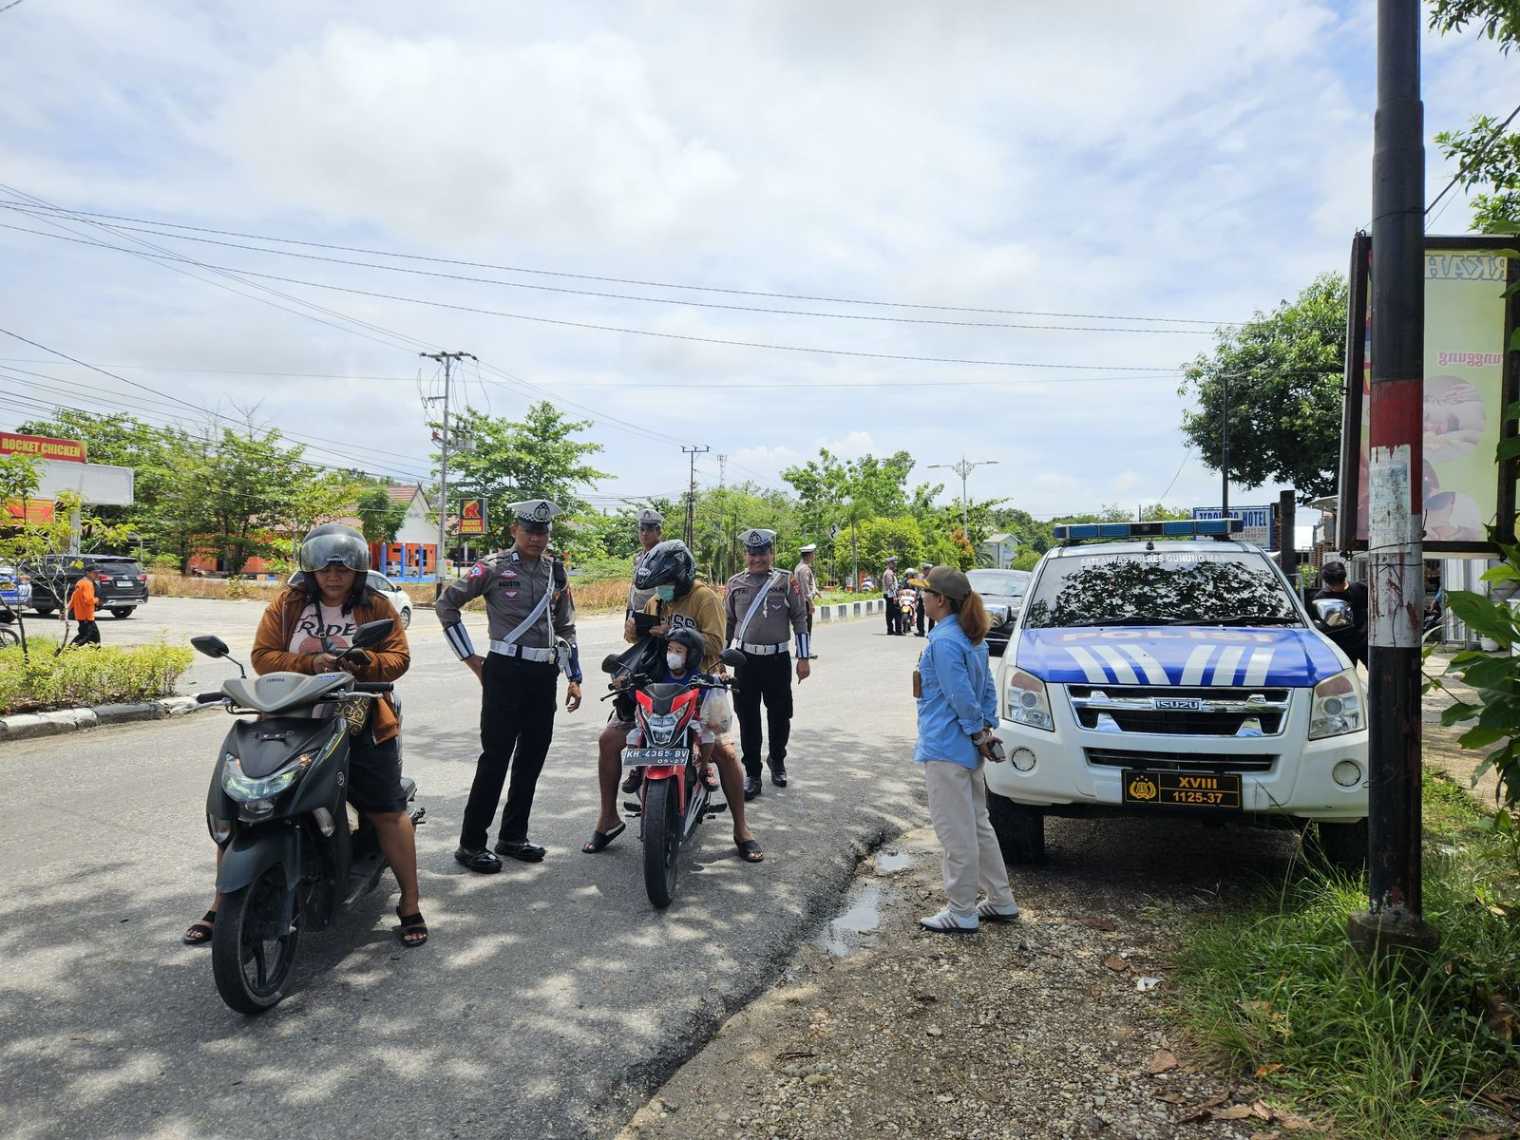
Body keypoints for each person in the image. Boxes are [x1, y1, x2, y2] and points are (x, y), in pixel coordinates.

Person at [182, 525, 425, 948]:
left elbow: (398, 659)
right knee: (246, 806)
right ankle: (222, 904)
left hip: (360, 716)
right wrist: (313, 663)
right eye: (325, 569)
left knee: (386, 809)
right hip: (293, 715)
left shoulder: (377, 603)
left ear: (357, 572)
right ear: (311, 570)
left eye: (343, 570)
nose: (334, 576)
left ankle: (410, 902)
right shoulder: (288, 602)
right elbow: (262, 656)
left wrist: (362, 662)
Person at [437, 499, 583, 873]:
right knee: (496, 758)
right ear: (514, 530)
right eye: (530, 530)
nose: (537, 538)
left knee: (532, 758)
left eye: (543, 531)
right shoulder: (492, 567)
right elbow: (446, 605)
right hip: (504, 671)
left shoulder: (556, 572)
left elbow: (565, 627)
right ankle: (471, 843)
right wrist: (470, 658)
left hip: (543, 674)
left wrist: (574, 676)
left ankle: (513, 836)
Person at [585, 619, 762, 863]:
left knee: (728, 754)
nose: (672, 654)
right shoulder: (653, 603)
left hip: (696, 710)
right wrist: (626, 673)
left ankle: (741, 829)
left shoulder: (703, 600)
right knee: (608, 739)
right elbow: (637, 645)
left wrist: (718, 679)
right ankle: (609, 817)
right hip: (654, 709)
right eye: (670, 649)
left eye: (678, 651)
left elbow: (716, 643)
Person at [914, 565, 1020, 935]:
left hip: (947, 745)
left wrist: (977, 732)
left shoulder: (944, 641)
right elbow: (986, 689)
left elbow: (959, 694)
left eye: (925, 593)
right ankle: (1000, 899)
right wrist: (984, 731)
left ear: (940, 600)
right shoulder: (970, 636)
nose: (921, 598)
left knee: (955, 831)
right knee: (977, 825)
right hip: (968, 747)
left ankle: (961, 910)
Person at [725, 528, 811, 799]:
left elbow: (800, 618)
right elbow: (728, 622)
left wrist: (804, 657)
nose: (757, 559)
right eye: (752, 553)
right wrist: (718, 657)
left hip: (777, 659)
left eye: (762, 553)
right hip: (745, 660)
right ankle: (752, 772)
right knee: (747, 716)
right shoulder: (735, 583)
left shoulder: (786, 581)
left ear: (771, 553)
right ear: (745, 555)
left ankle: (777, 759)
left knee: (780, 714)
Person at [1314, 560, 1369, 667]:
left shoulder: (1360, 589)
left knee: (1376, 673)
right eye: (1332, 585)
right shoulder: (1321, 598)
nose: (1335, 588)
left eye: (1338, 584)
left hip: (1364, 641)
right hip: (1340, 646)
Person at [626, 508, 664, 620]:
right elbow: (634, 588)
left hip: (655, 615)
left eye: (649, 530)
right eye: (641, 529)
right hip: (636, 612)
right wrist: (629, 614)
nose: (644, 533)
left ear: (659, 532)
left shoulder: (665, 556)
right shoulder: (638, 557)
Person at [794, 543, 821, 657]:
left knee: (801, 625)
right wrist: (811, 603)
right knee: (806, 626)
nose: (814, 556)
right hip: (804, 602)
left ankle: (799, 650)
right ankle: (805, 651)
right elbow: (805, 587)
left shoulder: (798, 567)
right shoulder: (805, 569)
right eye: (813, 554)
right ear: (809, 555)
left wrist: (816, 591)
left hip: (798, 601)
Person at [68, 569, 100, 646]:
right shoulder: (88, 584)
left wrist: (66, 611)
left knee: (95, 638)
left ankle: (96, 655)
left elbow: (73, 599)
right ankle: (66, 652)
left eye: (98, 573)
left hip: (82, 616)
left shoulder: (80, 582)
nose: (97, 575)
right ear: (88, 573)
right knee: (84, 637)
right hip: (87, 617)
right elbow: (89, 600)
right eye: (94, 573)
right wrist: (97, 600)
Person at [914, 563, 934, 637]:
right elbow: (918, 589)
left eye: (926, 569)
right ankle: (921, 631)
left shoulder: (932, 578)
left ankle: (931, 632)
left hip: (930, 598)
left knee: (932, 616)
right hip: (921, 598)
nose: (924, 571)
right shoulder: (921, 577)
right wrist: (915, 598)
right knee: (919, 615)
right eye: (924, 569)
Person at [882, 557, 901, 635]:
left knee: (890, 613)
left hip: (890, 595)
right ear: (890, 564)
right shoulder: (889, 573)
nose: (895, 564)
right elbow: (890, 585)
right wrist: (895, 596)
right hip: (891, 595)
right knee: (896, 613)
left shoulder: (889, 572)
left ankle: (890, 630)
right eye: (893, 563)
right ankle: (897, 630)